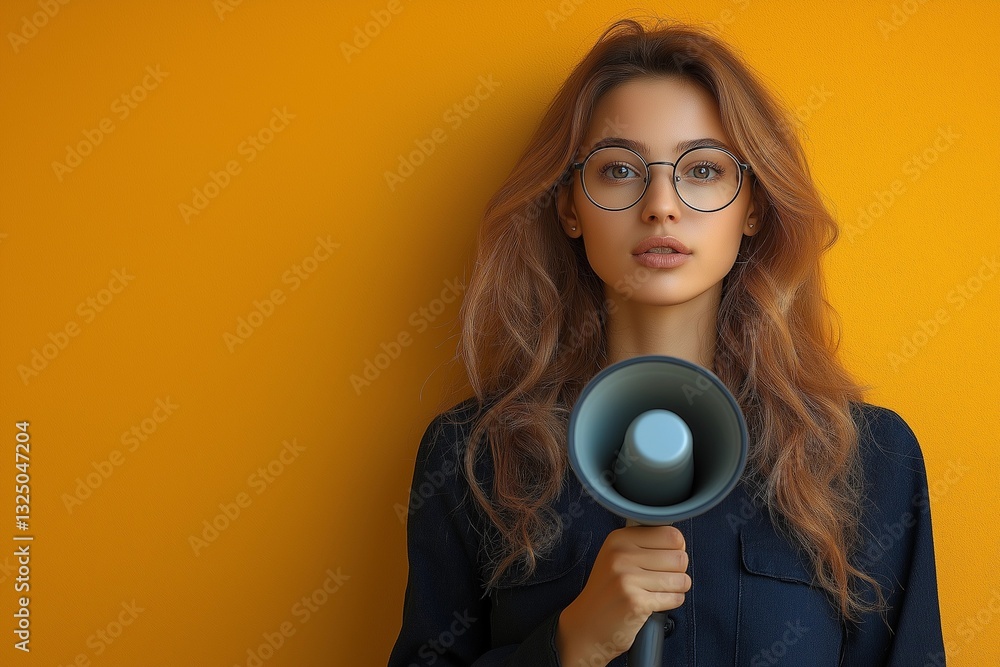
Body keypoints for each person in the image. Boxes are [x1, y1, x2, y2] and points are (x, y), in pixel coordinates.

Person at [388, 16, 946, 667]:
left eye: (702, 169)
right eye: (620, 169)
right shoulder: (473, 456)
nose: (661, 203)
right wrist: (568, 644)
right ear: (569, 205)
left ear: (754, 206)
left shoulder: (866, 458)